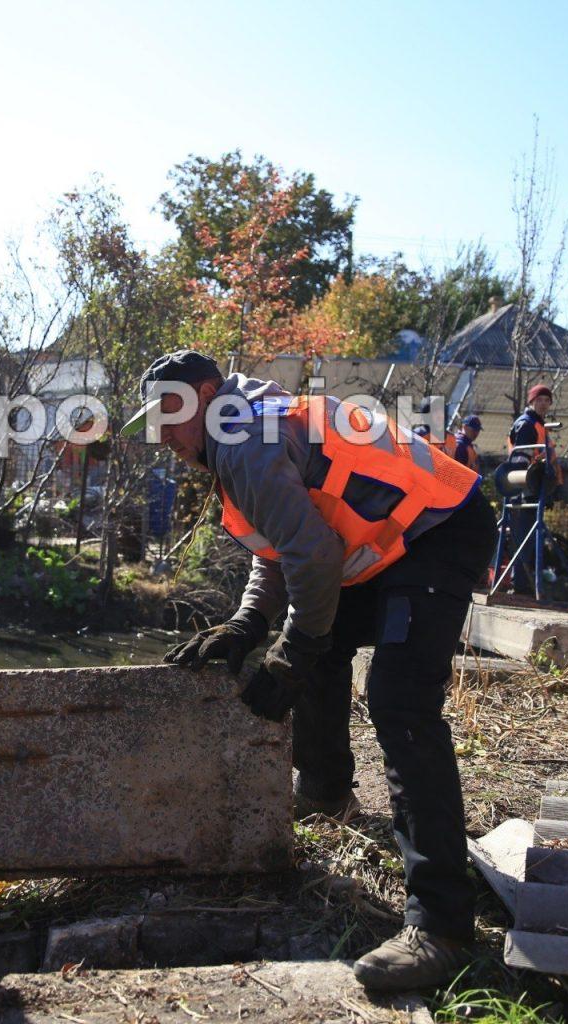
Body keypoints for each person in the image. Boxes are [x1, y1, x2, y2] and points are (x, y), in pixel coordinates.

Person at [123, 351, 496, 992]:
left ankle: (441, 925)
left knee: (399, 700)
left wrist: (292, 653)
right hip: (392, 544)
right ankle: (325, 789)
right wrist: (247, 623)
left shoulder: (242, 438)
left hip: (438, 532)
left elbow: (312, 556)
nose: (161, 434)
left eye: (168, 415)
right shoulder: (246, 425)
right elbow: (285, 548)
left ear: (207, 395)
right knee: (318, 643)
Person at [504, 385, 560, 594]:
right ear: (531, 402)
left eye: (547, 400)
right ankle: (520, 585)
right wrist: (524, 490)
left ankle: (524, 583)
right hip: (524, 490)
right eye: (540, 399)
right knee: (524, 539)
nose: (544, 403)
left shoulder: (539, 426)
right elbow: (521, 461)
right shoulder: (527, 425)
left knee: (530, 539)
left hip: (534, 489)